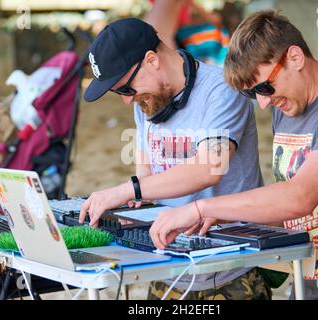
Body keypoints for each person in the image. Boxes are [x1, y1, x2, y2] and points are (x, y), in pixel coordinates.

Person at [149, 11, 318, 300]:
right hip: (306, 287)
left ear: (295, 57)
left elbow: (299, 198)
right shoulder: (288, 106)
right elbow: (287, 212)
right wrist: (224, 222)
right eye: (251, 95)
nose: (265, 103)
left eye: (265, 87)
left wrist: (202, 209)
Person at [81, 18, 270, 300]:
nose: (127, 100)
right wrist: (128, 202)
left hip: (230, 271)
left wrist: (127, 190)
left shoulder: (221, 90)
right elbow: (146, 179)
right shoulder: (147, 101)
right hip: (168, 270)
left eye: (125, 89)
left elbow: (210, 167)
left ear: (151, 60)